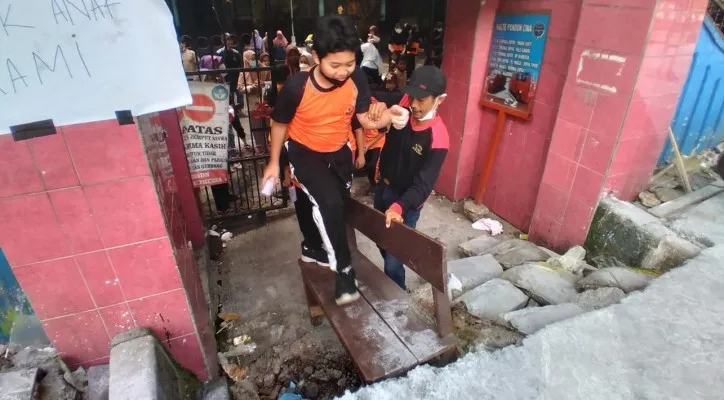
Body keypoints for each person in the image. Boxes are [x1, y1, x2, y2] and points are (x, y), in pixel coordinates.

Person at [261, 15, 402, 305]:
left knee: (337, 205)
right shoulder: (296, 88)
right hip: (305, 152)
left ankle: (313, 249)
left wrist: (389, 117)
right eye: (335, 65)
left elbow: (363, 117)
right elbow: (278, 124)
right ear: (316, 57)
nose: (343, 72)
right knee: (328, 203)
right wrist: (275, 162)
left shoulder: (357, 79)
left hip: (339, 152)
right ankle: (344, 271)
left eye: (349, 64)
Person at [374, 66, 449, 290]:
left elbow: (423, 185)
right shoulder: (406, 106)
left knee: (393, 263)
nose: (414, 104)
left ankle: (398, 300)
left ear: (439, 100)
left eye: (422, 99)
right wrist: (380, 107)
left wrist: (399, 207)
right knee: (380, 238)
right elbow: (376, 97)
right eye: (412, 96)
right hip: (383, 190)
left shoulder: (438, 138)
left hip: (407, 204)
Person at [238, 50, 271, 154]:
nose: (253, 61)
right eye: (251, 59)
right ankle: (261, 148)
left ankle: (269, 146)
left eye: (254, 58)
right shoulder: (243, 72)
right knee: (256, 127)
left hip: (265, 102)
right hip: (252, 104)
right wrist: (251, 87)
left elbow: (271, 82)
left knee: (267, 125)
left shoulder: (264, 69)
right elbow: (239, 88)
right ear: (246, 59)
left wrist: (263, 84)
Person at [217, 35, 244, 107]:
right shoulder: (219, 52)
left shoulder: (236, 53)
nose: (230, 42)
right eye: (228, 40)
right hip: (225, 77)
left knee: (238, 91)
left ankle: (239, 107)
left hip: (236, 76)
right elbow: (218, 65)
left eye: (231, 40)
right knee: (226, 93)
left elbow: (240, 64)